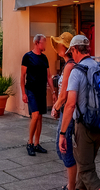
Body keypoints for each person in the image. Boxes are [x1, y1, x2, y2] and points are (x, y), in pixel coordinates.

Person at [59, 35, 100, 190]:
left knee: (86, 170)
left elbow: (70, 105)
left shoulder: (77, 71)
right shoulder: (98, 67)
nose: (72, 55)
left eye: (72, 51)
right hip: (98, 123)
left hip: (84, 128)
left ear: (75, 49)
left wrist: (63, 134)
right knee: (84, 169)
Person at [50, 33, 77, 190]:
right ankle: (73, 183)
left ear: (65, 48)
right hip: (68, 110)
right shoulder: (70, 64)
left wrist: (56, 107)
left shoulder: (69, 66)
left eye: (60, 44)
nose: (57, 47)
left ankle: (71, 186)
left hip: (68, 111)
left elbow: (63, 94)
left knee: (63, 147)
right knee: (64, 147)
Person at [22, 34, 54, 156]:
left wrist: (53, 92)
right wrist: (23, 93)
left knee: (40, 117)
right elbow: (22, 76)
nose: (45, 45)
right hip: (31, 90)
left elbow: (49, 76)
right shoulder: (27, 57)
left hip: (42, 91)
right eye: (43, 42)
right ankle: (29, 143)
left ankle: (37, 143)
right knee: (35, 115)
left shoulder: (44, 58)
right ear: (36, 43)